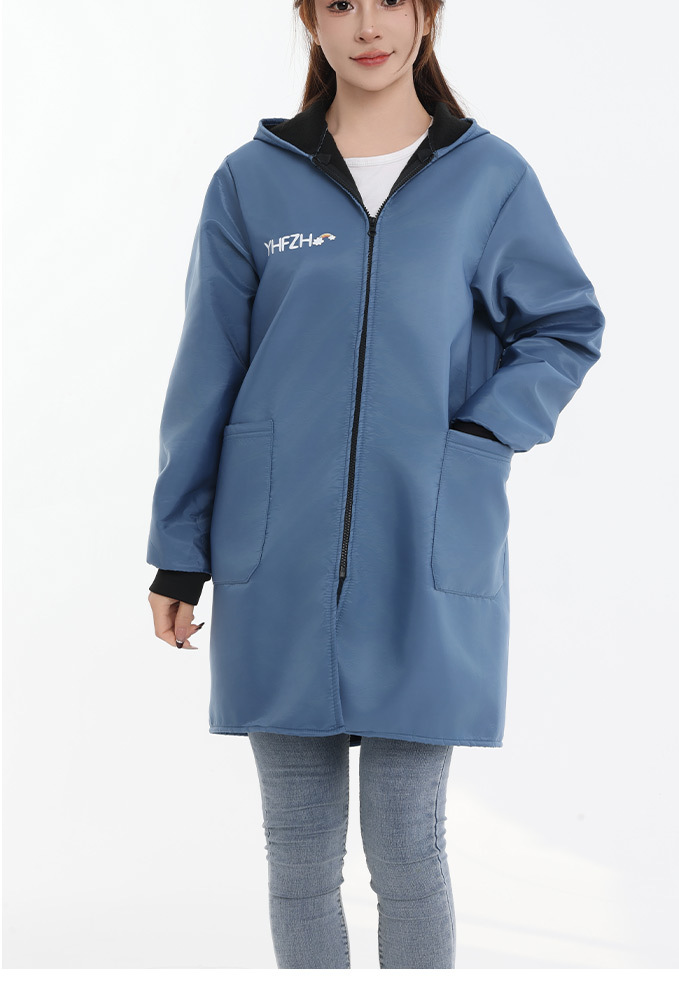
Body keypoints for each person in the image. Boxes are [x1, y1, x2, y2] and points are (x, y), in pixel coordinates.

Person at [146, 0, 605, 970]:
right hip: (277, 551)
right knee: (298, 857)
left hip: (426, 541)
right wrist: (178, 554)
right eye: (342, 3)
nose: (368, 26)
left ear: (427, 15)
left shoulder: (488, 178)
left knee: (408, 847)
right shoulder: (251, 183)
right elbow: (205, 375)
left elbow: (564, 324)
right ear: (309, 19)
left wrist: (482, 432)